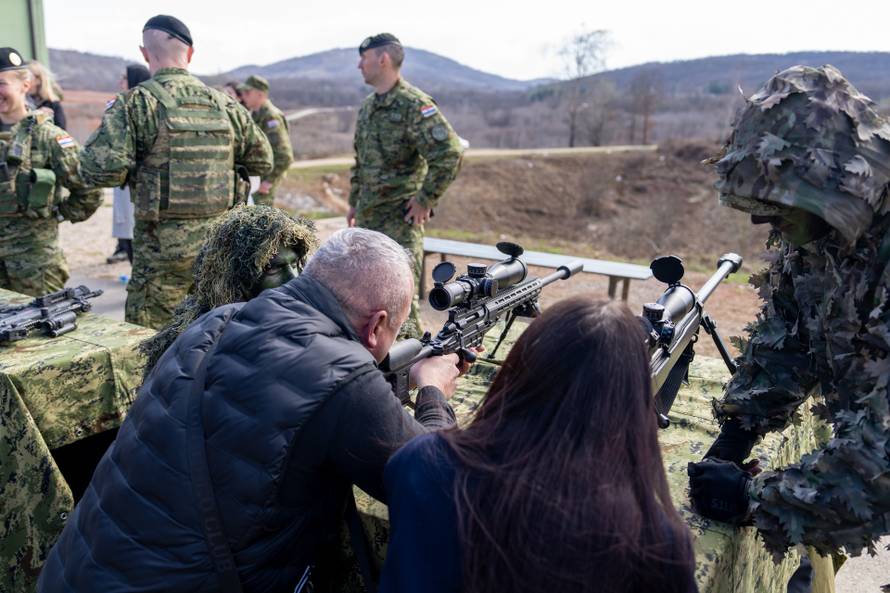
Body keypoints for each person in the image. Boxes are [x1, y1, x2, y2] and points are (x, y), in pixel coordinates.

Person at [38, 228, 470, 593]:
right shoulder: (345, 379)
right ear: (376, 326)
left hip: (76, 570)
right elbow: (436, 482)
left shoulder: (217, 321)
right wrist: (432, 391)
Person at [687, 65, 890, 590]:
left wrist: (756, 498)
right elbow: (792, 326)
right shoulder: (824, 228)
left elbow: (882, 465)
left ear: (832, 187)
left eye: (778, 203)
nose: (762, 222)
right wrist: (740, 427)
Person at [380, 297, 698, 593]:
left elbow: (438, 463)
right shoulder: (659, 544)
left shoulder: (417, 464)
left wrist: (432, 392)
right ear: (633, 401)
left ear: (518, 370)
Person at [79, 15, 273, 329]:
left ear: (145, 53)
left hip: (160, 264)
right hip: (218, 254)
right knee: (219, 341)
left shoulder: (135, 105)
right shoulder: (226, 105)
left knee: (152, 349)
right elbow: (263, 162)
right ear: (191, 54)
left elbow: (98, 171)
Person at [348, 33, 464, 339]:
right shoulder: (370, 107)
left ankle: (410, 372)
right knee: (367, 299)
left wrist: (425, 199)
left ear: (383, 59)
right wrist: (353, 202)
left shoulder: (414, 105)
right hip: (368, 221)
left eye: (364, 58)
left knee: (402, 303)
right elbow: (362, 162)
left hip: (399, 223)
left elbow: (449, 153)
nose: (359, 65)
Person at [140, 204, 317, 376]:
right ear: (236, 277)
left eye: (294, 264)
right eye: (273, 269)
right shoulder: (198, 345)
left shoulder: (304, 322)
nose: (293, 279)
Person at [0, 47, 101, 296]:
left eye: (1, 84)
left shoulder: (48, 137)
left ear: (25, 84)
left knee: (39, 332)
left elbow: (89, 190)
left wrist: (57, 214)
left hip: (35, 267)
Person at [106, 64, 150, 264]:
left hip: (139, 183)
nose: (120, 82)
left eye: (124, 78)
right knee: (128, 232)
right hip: (124, 182)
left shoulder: (141, 108)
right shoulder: (120, 105)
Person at [239, 75, 293, 206]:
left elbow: (285, 156)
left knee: (261, 223)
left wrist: (269, 181)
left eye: (247, 92)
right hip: (256, 180)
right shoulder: (257, 114)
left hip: (263, 185)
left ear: (260, 94)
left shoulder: (270, 116)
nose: (243, 95)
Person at [26, 60, 66, 130]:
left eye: (27, 77)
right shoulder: (21, 102)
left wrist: (42, 118)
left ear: (38, 80)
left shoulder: (53, 104)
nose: (24, 81)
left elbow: (62, 132)